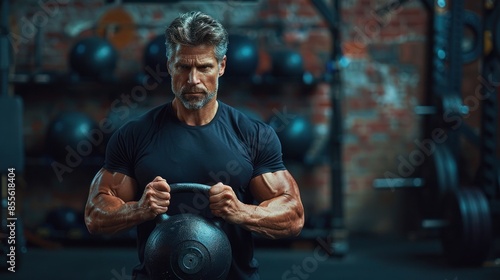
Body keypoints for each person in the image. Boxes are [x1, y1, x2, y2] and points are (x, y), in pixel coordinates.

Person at [84, 11, 304, 280]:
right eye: (183, 67)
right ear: (169, 66)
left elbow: (293, 216)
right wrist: (139, 208)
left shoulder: (253, 134)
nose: (193, 80)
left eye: (204, 67)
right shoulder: (134, 134)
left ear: (221, 66)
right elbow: (95, 215)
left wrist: (240, 211)